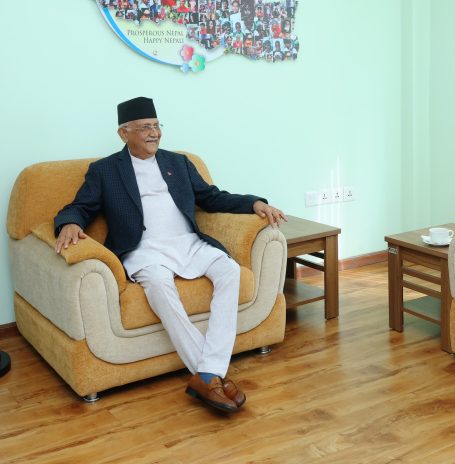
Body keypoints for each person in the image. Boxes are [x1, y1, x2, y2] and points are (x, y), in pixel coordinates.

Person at [53, 97, 287, 413]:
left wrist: (254, 203)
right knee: (160, 286)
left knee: (230, 271)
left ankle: (208, 375)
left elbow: (212, 197)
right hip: (143, 250)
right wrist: (69, 222)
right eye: (145, 127)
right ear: (124, 133)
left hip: (188, 243)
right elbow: (80, 206)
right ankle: (213, 375)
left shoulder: (179, 162)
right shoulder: (105, 170)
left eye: (156, 125)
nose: (154, 133)